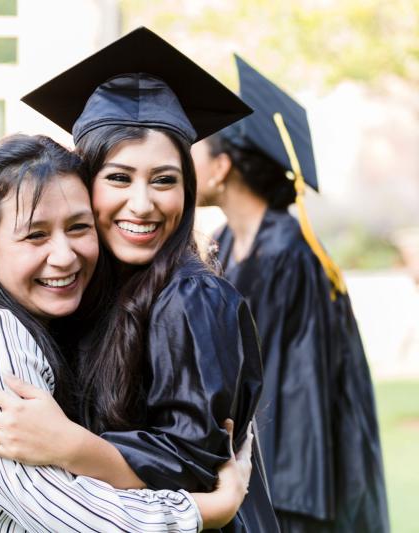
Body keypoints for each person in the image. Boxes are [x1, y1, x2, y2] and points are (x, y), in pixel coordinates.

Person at [0, 28, 279, 531]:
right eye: (119, 178)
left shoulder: (191, 297)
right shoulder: (78, 288)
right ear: (85, 183)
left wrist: (68, 444)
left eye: (165, 180)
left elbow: (192, 463)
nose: (143, 204)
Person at [0, 133, 255, 532]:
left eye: (79, 227)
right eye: (35, 235)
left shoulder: (63, 321)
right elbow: (63, 514)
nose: (64, 257)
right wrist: (210, 508)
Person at [190, 55, 389, 532]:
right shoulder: (231, 242)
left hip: (293, 474)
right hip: (251, 461)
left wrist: (284, 503)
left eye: (194, 149)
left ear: (222, 167)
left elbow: (301, 386)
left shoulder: (288, 251)